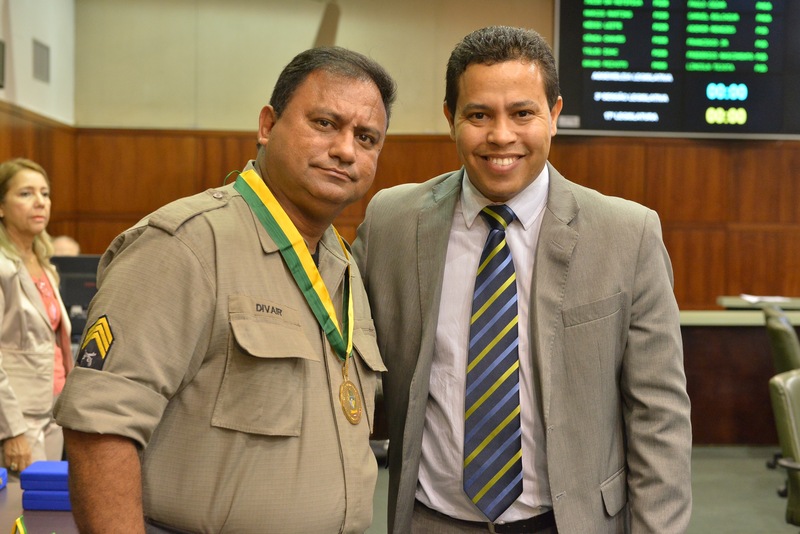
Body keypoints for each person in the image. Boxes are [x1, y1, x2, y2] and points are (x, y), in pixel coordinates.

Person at [353, 26, 692, 533]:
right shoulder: (391, 223)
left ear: (553, 115)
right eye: (478, 115)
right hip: (432, 520)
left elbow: (659, 417)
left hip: (569, 523)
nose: (501, 136)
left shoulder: (628, 235)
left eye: (522, 113)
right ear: (450, 119)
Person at [54, 46, 396, 533]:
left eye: (366, 138)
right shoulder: (185, 245)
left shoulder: (342, 265)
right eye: (325, 123)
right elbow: (99, 427)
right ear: (267, 125)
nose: (346, 150)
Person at [0, 158, 73, 474]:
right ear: (1, 207)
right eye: (26, 193)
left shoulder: (44, 261)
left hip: (53, 409)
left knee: (47, 500)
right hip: (17, 418)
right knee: (21, 503)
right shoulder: (2, 266)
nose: (40, 201)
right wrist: (11, 430)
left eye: (45, 193)